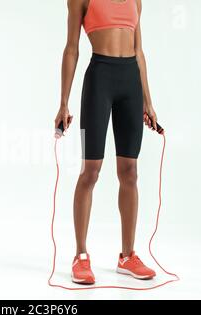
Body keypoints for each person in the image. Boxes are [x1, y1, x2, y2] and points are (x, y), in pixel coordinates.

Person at [54, 0, 158, 284]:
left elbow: (139, 51)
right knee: (90, 171)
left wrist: (148, 101)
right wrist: (63, 103)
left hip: (131, 85)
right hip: (99, 80)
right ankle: (81, 256)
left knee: (130, 172)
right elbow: (71, 48)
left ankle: (127, 256)